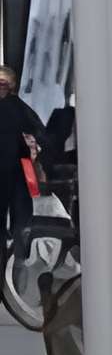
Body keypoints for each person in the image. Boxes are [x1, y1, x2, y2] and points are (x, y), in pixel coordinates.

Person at [0, 67, 46, 254]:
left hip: (15, 172)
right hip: (19, 172)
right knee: (21, 222)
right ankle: (19, 260)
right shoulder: (20, 108)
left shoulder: (17, 108)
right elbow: (41, 135)